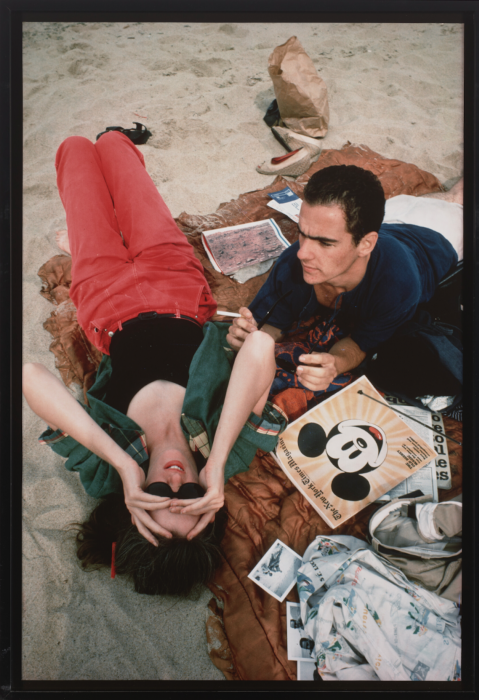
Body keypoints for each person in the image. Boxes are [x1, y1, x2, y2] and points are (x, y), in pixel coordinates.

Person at [23, 131, 287, 596]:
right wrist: (218, 460)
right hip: (177, 287)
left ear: (134, 505)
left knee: (73, 151)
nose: (174, 479)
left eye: (159, 494)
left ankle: (87, 201)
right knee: (114, 151)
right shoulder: (224, 457)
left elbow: (26, 376)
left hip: (104, 299)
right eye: (188, 496)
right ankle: (118, 138)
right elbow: (261, 350)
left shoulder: (109, 469)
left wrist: (125, 467)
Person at [227, 164, 463, 399]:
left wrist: (336, 364)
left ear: (366, 245)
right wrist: (251, 338)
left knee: (456, 200)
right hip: (384, 220)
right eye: (303, 233)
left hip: (438, 234)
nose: (302, 253)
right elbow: (271, 326)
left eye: (325, 243)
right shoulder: (291, 263)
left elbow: (361, 344)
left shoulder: (397, 285)